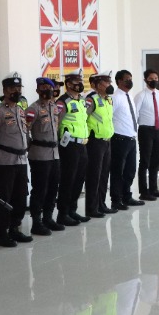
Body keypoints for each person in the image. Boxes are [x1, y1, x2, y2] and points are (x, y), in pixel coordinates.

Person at [0, 73, 33, 247]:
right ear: (5, 91)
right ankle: (2, 233)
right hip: (4, 161)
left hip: (21, 160)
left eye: (19, 88)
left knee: (20, 197)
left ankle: (14, 228)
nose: (16, 91)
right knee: (3, 198)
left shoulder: (20, 110)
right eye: (13, 88)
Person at [27, 77, 65, 234]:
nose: (47, 91)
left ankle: (48, 218)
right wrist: (31, 146)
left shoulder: (54, 107)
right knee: (40, 189)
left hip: (54, 154)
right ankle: (36, 222)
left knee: (53, 187)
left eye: (49, 88)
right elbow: (25, 130)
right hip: (39, 154)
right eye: (43, 88)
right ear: (37, 90)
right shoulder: (33, 109)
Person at [57, 71, 93, 225]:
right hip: (69, 146)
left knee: (79, 179)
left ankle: (72, 210)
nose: (80, 84)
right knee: (68, 180)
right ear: (69, 84)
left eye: (81, 81)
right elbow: (57, 123)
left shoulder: (82, 101)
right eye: (76, 82)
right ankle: (63, 213)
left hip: (82, 145)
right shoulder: (62, 102)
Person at [84, 71, 116, 218]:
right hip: (95, 141)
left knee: (104, 174)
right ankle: (91, 208)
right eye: (106, 82)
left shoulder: (109, 100)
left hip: (107, 140)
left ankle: (101, 204)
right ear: (97, 85)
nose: (109, 85)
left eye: (109, 82)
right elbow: (83, 118)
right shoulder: (91, 100)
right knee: (94, 175)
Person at [110, 70, 142, 209]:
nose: (130, 81)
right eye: (126, 79)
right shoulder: (115, 97)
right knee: (118, 171)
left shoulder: (129, 97)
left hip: (131, 138)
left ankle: (126, 196)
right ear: (119, 81)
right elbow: (109, 117)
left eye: (131, 78)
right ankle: (116, 200)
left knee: (130, 170)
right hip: (119, 138)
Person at [135, 69, 159, 200]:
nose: (154, 81)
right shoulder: (141, 95)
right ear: (145, 80)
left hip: (158, 130)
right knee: (145, 161)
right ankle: (144, 191)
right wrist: (144, 123)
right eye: (151, 78)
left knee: (156, 159)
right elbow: (135, 113)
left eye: (156, 78)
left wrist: (157, 122)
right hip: (145, 130)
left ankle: (154, 188)